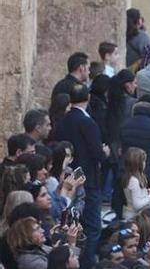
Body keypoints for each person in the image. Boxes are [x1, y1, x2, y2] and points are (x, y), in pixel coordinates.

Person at [55, 84, 108, 269]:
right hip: (86, 179)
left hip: (71, 177)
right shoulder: (86, 122)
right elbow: (96, 152)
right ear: (88, 98)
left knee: (75, 223)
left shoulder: (64, 120)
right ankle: (85, 263)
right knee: (92, 225)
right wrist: (105, 153)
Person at [120, 148, 150, 220]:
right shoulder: (133, 181)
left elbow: (136, 195)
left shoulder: (133, 178)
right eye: (143, 161)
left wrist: (146, 193)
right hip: (134, 217)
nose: (145, 163)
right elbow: (137, 205)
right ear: (138, 163)